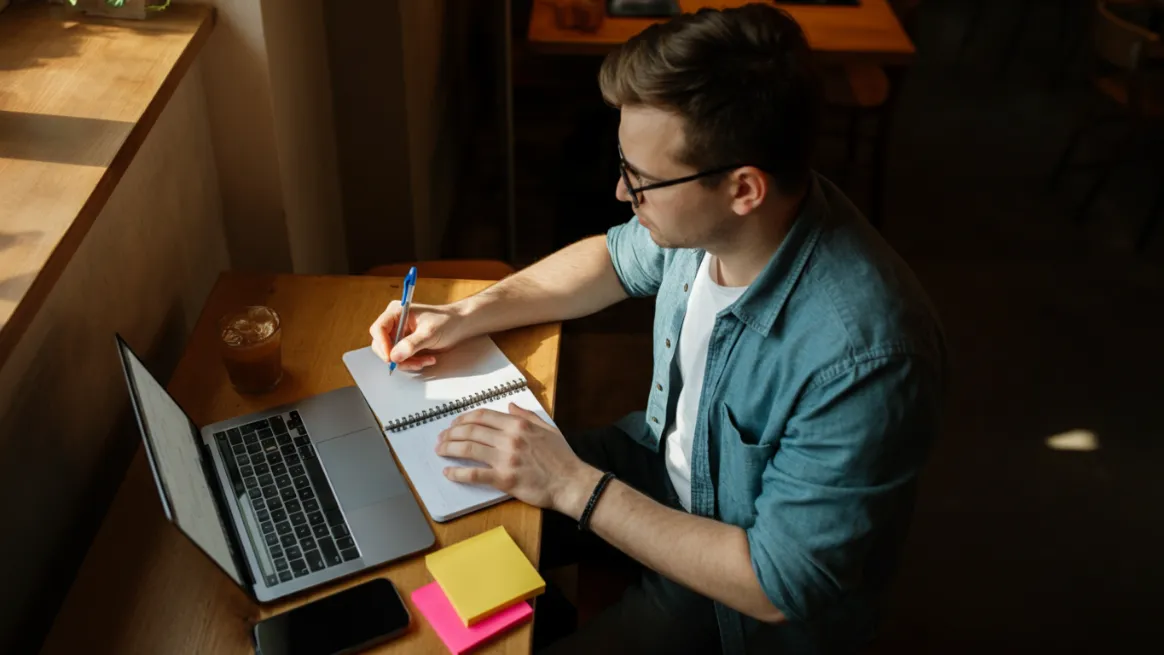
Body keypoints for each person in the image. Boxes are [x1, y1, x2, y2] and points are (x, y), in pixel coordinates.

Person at [368, 4, 946, 653]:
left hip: (738, 596)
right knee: (435, 510)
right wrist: (463, 314)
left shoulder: (865, 354)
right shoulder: (713, 224)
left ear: (743, 188)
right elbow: (613, 259)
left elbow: (779, 583)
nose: (620, 192)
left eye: (641, 181)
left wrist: (569, 484)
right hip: (658, 466)